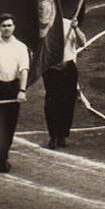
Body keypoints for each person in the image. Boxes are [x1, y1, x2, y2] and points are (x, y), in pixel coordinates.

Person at [0, 13, 30, 173]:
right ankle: (0, 158)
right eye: (3, 26)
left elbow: (23, 70)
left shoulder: (21, 47)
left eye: (9, 25)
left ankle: (2, 156)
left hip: (12, 87)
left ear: (14, 27)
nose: (7, 29)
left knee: (9, 126)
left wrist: (22, 90)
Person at [41, 21, 82, 150]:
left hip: (68, 66)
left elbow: (82, 42)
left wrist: (75, 28)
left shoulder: (69, 23)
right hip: (51, 67)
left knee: (68, 101)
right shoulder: (44, 25)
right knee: (52, 102)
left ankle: (63, 134)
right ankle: (53, 135)